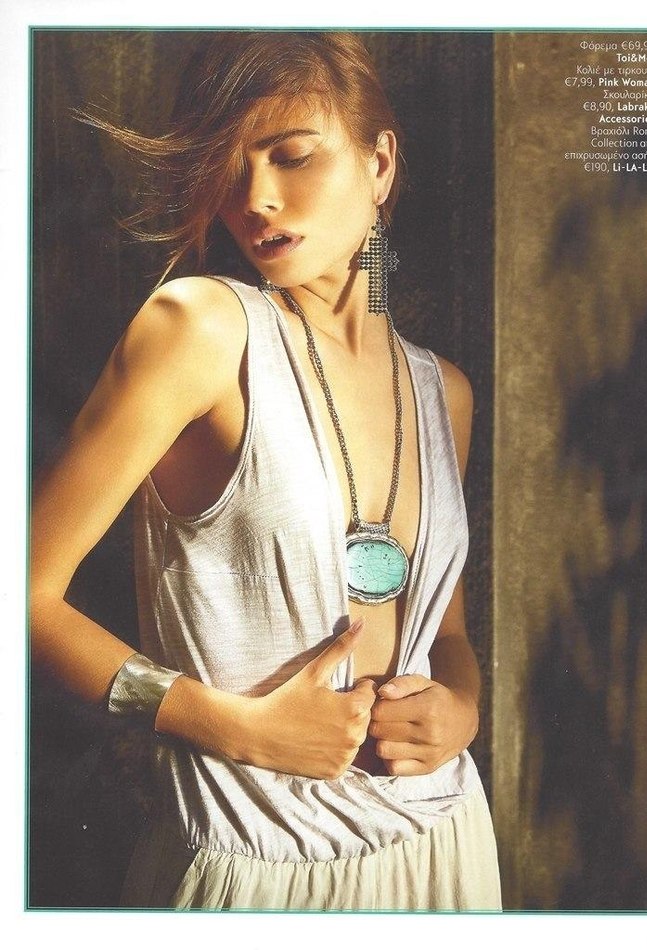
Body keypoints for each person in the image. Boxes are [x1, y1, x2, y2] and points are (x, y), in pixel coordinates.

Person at [31, 31, 501, 911]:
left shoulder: (444, 393)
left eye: (292, 156)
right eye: (230, 165)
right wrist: (236, 728)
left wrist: (463, 709)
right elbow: (22, 597)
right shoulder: (200, 330)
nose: (255, 199)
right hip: (258, 868)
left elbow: (446, 637)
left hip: (442, 844)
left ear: (379, 164)